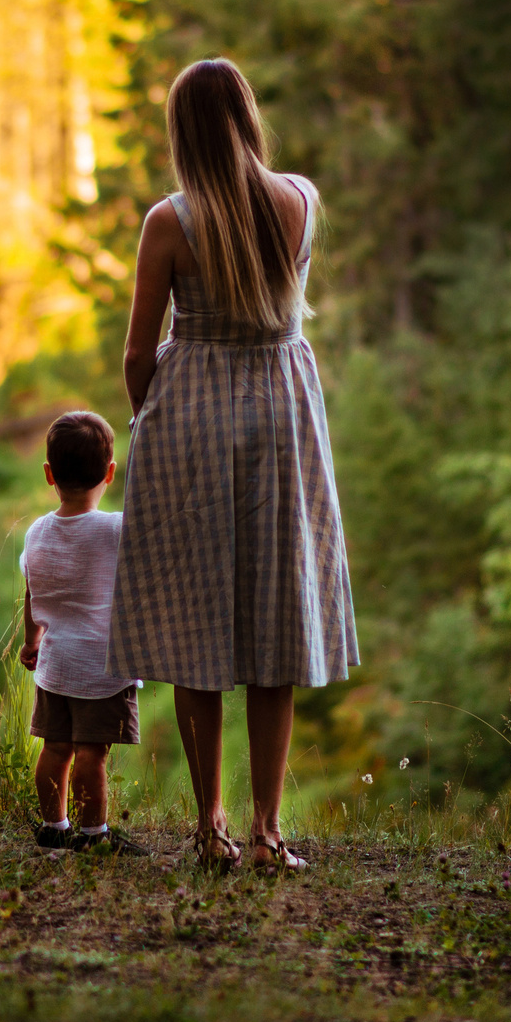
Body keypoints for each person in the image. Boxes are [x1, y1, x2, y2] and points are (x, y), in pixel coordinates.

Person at [108, 58, 356, 871]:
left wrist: (150, 418)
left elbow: (139, 352)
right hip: (282, 414)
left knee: (198, 622)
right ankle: (267, 829)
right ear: (248, 117)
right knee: (275, 623)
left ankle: (208, 826)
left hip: (192, 419)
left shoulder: (168, 222)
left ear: (182, 131)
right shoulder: (301, 202)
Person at [19, 410, 147, 855]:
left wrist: (31, 641)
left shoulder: (37, 532)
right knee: (92, 755)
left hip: (55, 666)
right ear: (110, 473)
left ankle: (54, 827)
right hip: (101, 667)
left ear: (48, 474)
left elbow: (32, 595)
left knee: (55, 749)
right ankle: (94, 837)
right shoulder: (115, 529)